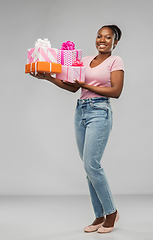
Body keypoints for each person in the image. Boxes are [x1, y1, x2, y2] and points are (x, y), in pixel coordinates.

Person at [30, 24, 124, 234]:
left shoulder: (115, 61)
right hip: (81, 111)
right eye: (99, 36)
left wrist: (87, 86)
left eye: (108, 38)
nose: (102, 40)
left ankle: (111, 213)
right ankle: (99, 215)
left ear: (115, 42)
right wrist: (49, 78)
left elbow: (116, 91)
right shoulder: (85, 60)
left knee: (92, 164)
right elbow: (74, 87)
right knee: (88, 167)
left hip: (100, 112)